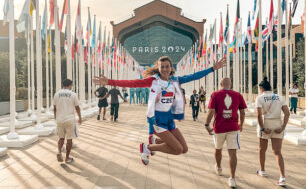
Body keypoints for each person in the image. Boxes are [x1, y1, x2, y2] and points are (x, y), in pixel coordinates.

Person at [93, 56, 226, 165]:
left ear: (171, 68)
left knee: (184, 149)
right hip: (156, 120)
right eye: (162, 67)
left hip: (168, 119)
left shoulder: (175, 80)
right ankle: (147, 147)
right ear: (158, 68)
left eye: (167, 66)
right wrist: (110, 81)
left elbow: (194, 76)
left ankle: (155, 141)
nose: (165, 69)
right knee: (178, 149)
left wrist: (213, 68)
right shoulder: (152, 81)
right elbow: (132, 83)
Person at [205, 77, 247, 188]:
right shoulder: (237, 95)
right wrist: (241, 124)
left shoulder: (215, 94)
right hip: (233, 127)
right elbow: (242, 112)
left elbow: (211, 111)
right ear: (231, 84)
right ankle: (232, 178)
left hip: (219, 127)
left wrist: (206, 124)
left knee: (218, 148)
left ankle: (218, 167)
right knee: (232, 153)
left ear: (220, 84)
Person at [255, 77, 290, 186]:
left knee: (262, 149)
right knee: (277, 152)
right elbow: (287, 113)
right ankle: (282, 177)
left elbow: (258, 114)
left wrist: (262, 128)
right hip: (277, 123)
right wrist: (283, 126)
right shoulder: (279, 97)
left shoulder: (260, 98)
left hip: (266, 123)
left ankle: (262, 170)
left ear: (261, 88)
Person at [53, 79, 82, 163]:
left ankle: (59, 152)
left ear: (62, 84)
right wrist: (80, 117)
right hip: (69, 120)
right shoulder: (73, 94)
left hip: (59, 119)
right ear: (70, 85)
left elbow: (55, 108)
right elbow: (77, 107)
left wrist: (56, 117)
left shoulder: (56, 94)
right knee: (69, 139)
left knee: (61, 138)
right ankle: (67, 158)